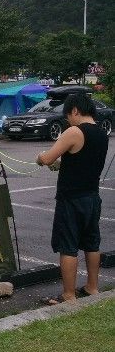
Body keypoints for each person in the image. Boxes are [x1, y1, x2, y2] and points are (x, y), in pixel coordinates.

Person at [36, 94, 108, 305]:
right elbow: (82, 160)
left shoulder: (74, 131)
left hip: (71, 199)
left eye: (68, 115)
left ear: (75, 110)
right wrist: (62, 164)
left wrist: (40, 157)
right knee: (92, 244)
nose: (68, 120)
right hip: (92, 197)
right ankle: (92, 287)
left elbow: (48, 158)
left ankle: (68, 295)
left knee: (68, 246)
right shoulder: (102, 133)